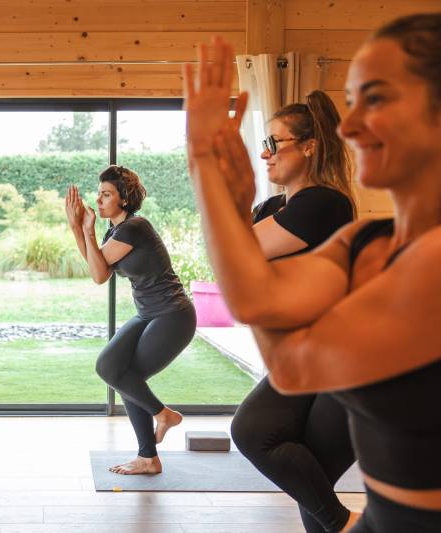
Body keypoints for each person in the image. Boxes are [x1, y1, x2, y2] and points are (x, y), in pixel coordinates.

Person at [184, 14, 441, 532]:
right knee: (307, 483)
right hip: (384, 521)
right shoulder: (364, 241)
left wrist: (219, 192)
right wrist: (211, 176)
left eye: (377, 99)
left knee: (290, 465)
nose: (346, 127)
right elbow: (262, 311)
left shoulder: (337, 213)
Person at [231, 90, 359, 533]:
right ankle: (343, 524)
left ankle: (347, 524)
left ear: (309, 146)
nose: (265, 154)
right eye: (262, 145)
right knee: (310, 478)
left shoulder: (324, 204)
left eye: (274, 143)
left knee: (253, 435)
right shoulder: (273, 208)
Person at [65, 165, 196, 475]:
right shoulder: (115, 232)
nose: (98, 200)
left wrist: (85, 230)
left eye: (106, 194)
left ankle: (160, 422)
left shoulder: (134, 228)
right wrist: (77, 227)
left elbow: (98, 273)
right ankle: (150, 453)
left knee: (125, 374)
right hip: (148, 313)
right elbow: (97, 268)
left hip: (173, 315)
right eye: (98, 193)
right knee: (112, 368)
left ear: (123, 199)